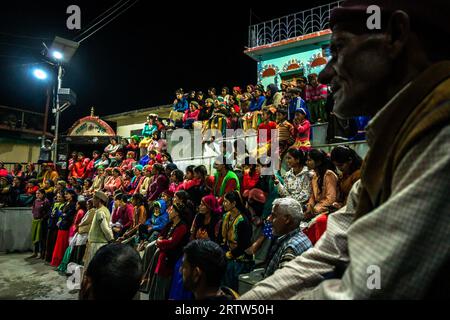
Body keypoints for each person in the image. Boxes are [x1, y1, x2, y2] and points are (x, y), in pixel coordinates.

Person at [149, 203, 190, 300]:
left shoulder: (182, 227)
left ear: (177, 213)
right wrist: (161, 240)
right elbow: (161, 235)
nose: (168, 211)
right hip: (164, 253)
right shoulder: (170, 223)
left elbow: (172, 242)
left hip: (171, 257)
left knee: (162, 283)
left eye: (171, 210)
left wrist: (160, 242)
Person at [263, 198, 312, 278]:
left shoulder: (290, 249)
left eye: (273, 215)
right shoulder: (302, 237)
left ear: (287, 219)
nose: (269, 219)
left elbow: (282, 285)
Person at [218, 191, 253, 291]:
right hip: (227, 252)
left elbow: (244, 245)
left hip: (240, 258)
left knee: (231, 287)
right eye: (223, 201)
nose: (223, 204)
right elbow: (221, 238)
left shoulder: (243, 221)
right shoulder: (226, 216)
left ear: (234, 203)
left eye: (226, 201)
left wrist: (228, 255)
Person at [83, 191, 114, 268]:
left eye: (94, 198)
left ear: (99, 200)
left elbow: (105, 228)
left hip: (97, 244)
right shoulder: (104, 210)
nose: (92, 200)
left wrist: (111, 239)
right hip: (98, 243)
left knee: (93, 268)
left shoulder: (100, 212)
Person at [50, 189, 77, 267]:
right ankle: (56, 262)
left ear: (72, 195)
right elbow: (62, 213)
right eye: (65, 194)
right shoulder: (66, 203)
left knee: (62, 245)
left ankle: (61, 262)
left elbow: (68, 215)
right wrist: (62, 215)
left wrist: (62, 214)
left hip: (66, 226)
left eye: (67, 194)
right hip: (62, 224)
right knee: (58, 244)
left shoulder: (73, 204)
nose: (65, 195)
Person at [70, 199, 95, 265]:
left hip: (84, 232)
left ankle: (77, 265)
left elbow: (86, 221)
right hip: (81, 231)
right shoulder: (89, 211)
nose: (87, 205)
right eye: (87, 204)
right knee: (78, 248)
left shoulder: (92, 211)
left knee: (80, 250)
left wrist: (79, 225)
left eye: (88, 204)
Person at [28, 189, 50, 259]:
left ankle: (42, 253)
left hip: (42, 222)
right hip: (35, 221)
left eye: (39, 193)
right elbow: (33, 210)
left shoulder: (46, 201)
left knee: (41, 238)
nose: (37, 195)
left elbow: (48, 213)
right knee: (35, 237)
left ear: (43, 194)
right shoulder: (35, 201)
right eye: (36, 193)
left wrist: (42, 218)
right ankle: (35, 252)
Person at [44, 191, 64, 263]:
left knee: (53, 242)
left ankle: (53, 258)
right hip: (51, 224)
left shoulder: (63, 205)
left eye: (60, 197)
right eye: (57, 197)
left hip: (56, 226)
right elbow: (50, 212)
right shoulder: (54, 204)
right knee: (48, 242)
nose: (58, 198)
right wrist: (51, 214)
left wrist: (55, 214)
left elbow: (59, 214)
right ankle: (48, 257)